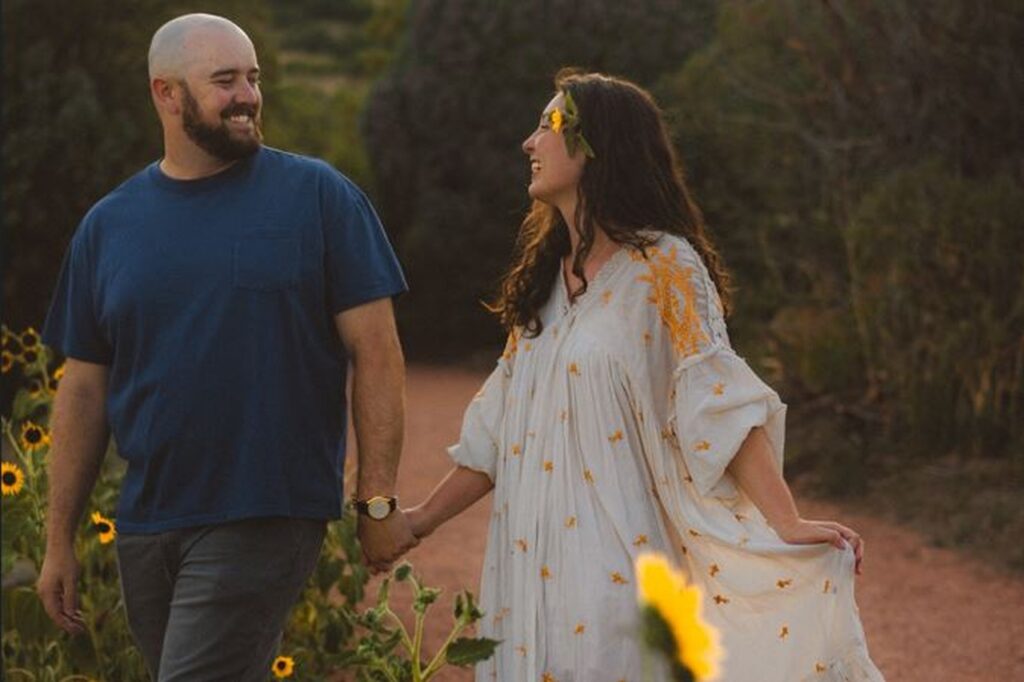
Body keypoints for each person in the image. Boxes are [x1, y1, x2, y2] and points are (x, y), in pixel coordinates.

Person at [404, 71, 885, 681]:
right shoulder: (545, 282)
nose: (529, 143)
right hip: (523, 567)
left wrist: (786, 521)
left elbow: (718, 398)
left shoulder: (667, 268)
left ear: (599, 145)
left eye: (548, 126)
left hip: (618, 566)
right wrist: (416, 523)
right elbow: (496, 435)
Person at [36, 13, 417, 680]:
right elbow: (84, 387)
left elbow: (379, 351)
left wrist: (377, 500)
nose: (247, 95)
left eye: (253, 78)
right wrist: (57, 540)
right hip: (148, 520)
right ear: (166, 93)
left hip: (264, 506)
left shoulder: (319, 199)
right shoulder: (108, 226)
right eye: (224, 81)